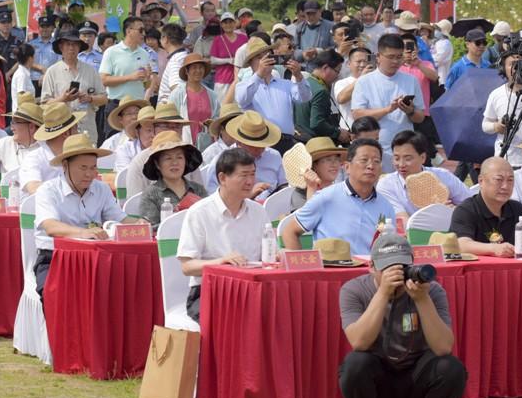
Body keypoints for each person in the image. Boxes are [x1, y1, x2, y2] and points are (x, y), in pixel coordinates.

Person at [334, 230, 466, 398]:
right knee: (355, 363)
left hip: (416, 381)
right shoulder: (354, 290)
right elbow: (359, 342)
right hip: (378, 383)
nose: (395, 275)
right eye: (387, 269)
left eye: (402, 268)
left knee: (451, 367)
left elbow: (444, 347)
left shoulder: (431, 291)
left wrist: (422, 300)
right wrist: (383, 293)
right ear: (372, 267)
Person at [175, 148, 266, 320]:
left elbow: (268, 255)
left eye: (252, 175)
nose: (250, 181)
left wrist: (276, 256)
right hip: (209, 291)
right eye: (243, 175)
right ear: (222, 178)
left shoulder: (259, 211)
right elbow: (187, 267)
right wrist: (220, 263)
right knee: (236, 319)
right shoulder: (199, 212)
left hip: (252, 289)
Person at [33, 134, 129, 291]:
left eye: (93, 168)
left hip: (96, 258)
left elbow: (121, 219)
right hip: (54, 257)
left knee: (121, 287)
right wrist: (83, 233)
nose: (89, 174)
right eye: (83, 168)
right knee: (56, 294)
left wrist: (141, 224)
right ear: (65, 165)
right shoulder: (48, 190)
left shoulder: (101, 188)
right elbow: (51, 226)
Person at [281, 139, 390, 252]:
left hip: (372, 268)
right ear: (347, 167)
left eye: (376, 161)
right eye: (364, 160)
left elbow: (388, 246)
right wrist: (302, 267)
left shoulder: (386, 206)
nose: (371, 166)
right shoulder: (325, 197)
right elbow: (290, 231)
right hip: (332, 267)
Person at [349, 34, 426, 170]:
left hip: (404, 148)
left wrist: (410, 111)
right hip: (376, 149)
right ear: (378, 56)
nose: (395, 61)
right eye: (390, 57)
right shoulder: (364, 81)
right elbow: (357, 114)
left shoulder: (411, 80)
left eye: (399, 57)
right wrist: (387, 109)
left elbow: (420, 117)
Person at [449, 157, 522, 258]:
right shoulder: (466, 210)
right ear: (481, 180)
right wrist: (493, 249)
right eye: (499, 180)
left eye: (510, 180)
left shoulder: (517, 209)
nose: (505, 186)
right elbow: (461, 245)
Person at [376, 131, 470, 218]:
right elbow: (403, 222)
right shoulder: (386, 185)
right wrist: (434, 214)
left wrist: (455, 211)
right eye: (396, 158)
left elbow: (472, 205)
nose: (401, 164)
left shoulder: (443, 176)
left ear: (423, 158)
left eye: (408, 159)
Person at [234, 41, 300, 151]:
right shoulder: (243, 85)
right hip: (261, 143)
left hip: (287, 141)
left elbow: (305, 97)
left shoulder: (285, 83)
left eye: (268, 56)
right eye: (259, 58)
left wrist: (299, 76)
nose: (265, 60)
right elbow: (242, 100)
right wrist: (259, 74)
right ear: (251, 63)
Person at [132, 132, 207, 227]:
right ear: (157, 164)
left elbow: (209, 219)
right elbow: (150, 228)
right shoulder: (151, 194)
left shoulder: (198, 190)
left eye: (179, 157)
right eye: (168, 158)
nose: (175, 162)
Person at [166, 52, 219, 149]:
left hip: (208, 146)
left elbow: (217, 117)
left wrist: (211, 123)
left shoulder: (212, 95)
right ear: (186, 71)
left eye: (200, 67)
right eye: (194, 67)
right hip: (184, 145)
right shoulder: (177, 95)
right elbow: (169, 120)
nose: (198, 70)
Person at [99, 17, 155, 105]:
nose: (144, 34)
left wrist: (148, 78)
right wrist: (130, 77)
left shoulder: (145, 54)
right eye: (140, 30)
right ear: (129, 31)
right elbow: (103, 80)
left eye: (144, 30)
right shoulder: (111, 52)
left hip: (137, 103)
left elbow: (146, 85)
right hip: (117, 103)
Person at [294, 49, 344, 144]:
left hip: (298, 140)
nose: (338, 76)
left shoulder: (304, 83)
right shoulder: (320, 91)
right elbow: (317, 123)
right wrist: (338, 133)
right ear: (325, 68)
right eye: (337, 71)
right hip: (313, 143)